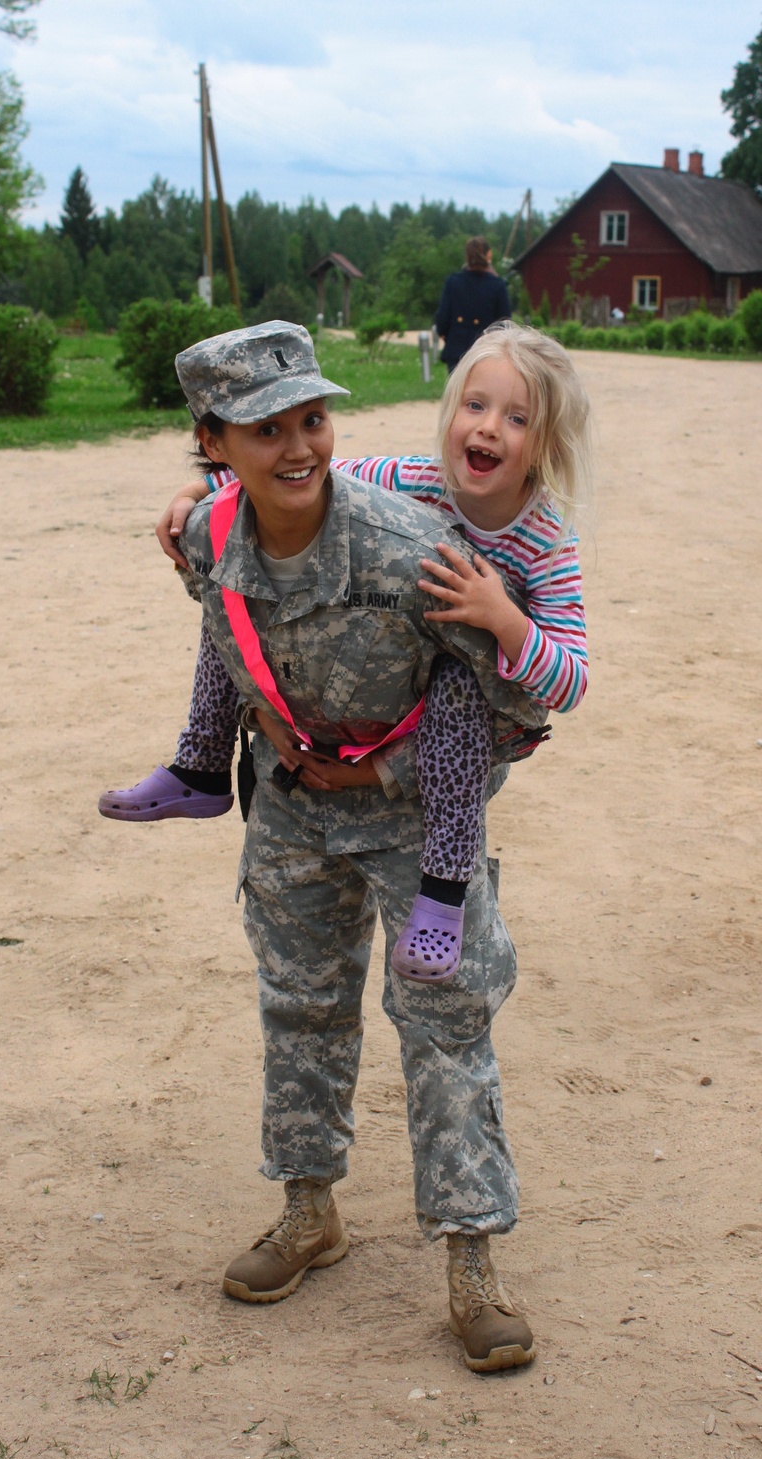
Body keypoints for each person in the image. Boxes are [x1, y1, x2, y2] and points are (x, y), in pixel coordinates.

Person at [158, 319, 549, 1372]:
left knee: (445, 1025)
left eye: (313, 421)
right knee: (300, 1007)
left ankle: (471, 1262)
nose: (297, 449)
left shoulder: (411, 546)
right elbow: (224, 630)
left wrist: (386, 773)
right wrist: (265, 740)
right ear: (214, 442)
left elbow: (507, 707)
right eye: (264, 429)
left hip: (418, 825)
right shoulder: (206, 538)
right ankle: (308, 1211)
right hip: (292, 809)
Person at [101, 322, 590, 987]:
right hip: (388, 680)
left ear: (545, 445)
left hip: (473, 708)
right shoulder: (407, 477)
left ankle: (442, 892)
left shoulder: (545, 541)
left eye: (517, 418)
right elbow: (304, 481)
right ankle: (203, 763)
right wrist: (200, 494)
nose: (488, 429)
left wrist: (503, 618)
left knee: (456, 676)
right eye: (475, 406)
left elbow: (570, 682)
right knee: (235, 588)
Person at [434, 236, 511, 370]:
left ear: (467, 256)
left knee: (458, 390)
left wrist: (451, 337)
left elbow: (442, 318)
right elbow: (505, 322)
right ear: (489, 255)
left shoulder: (453, 282)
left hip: (457, 349)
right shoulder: (497, 285)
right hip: (487, 352)